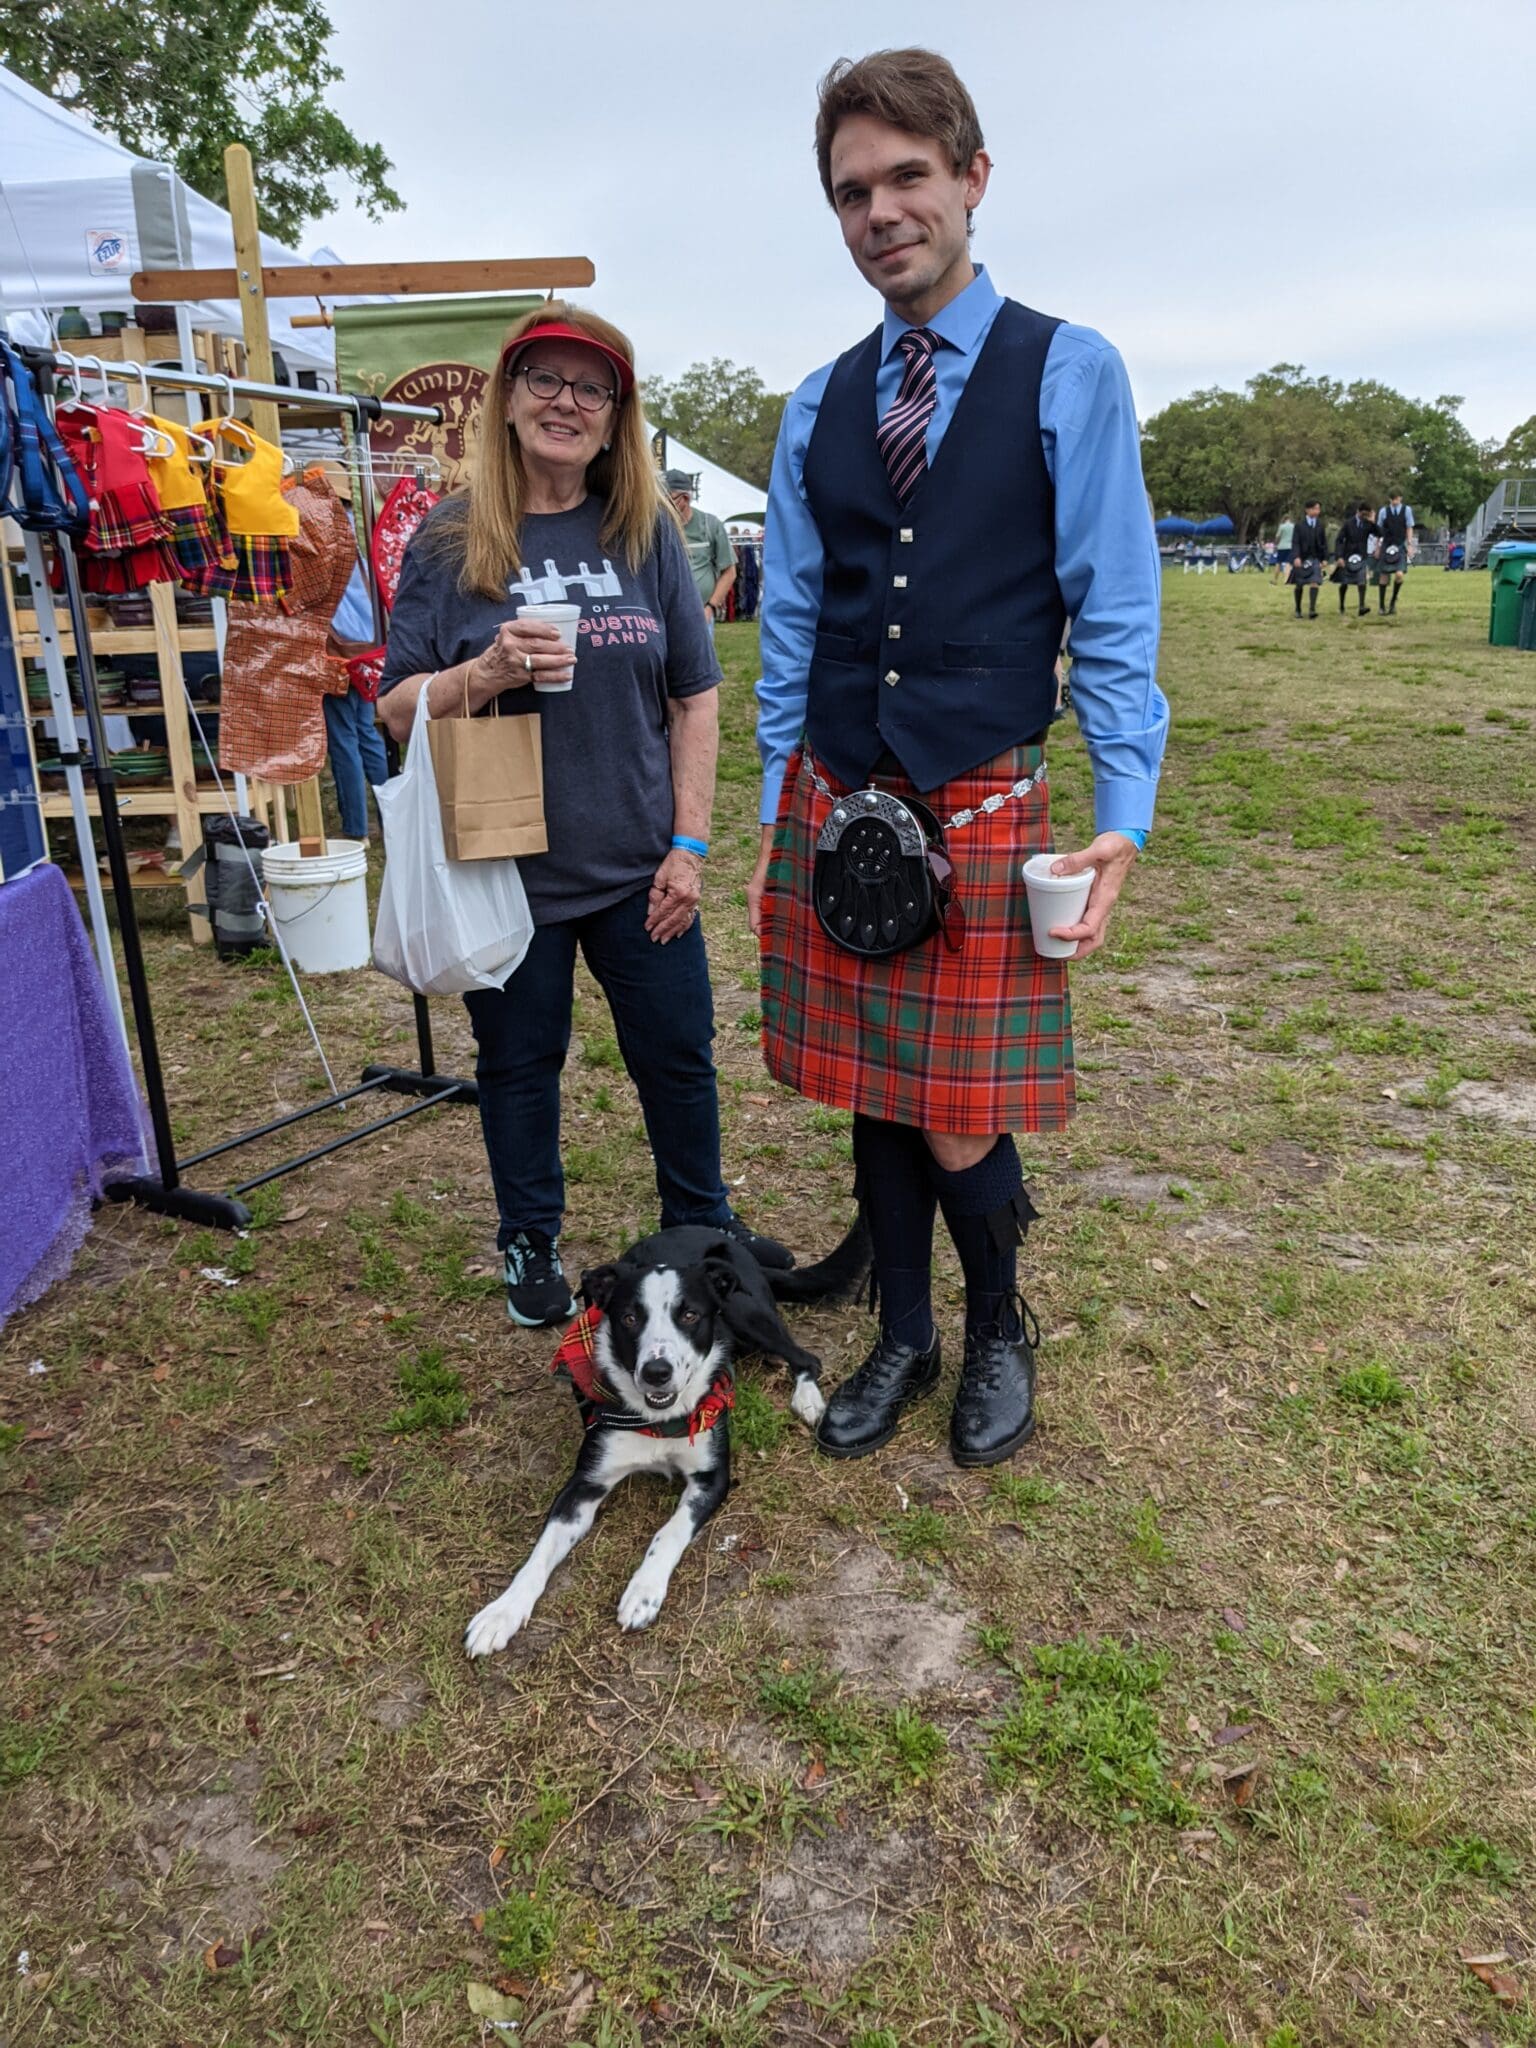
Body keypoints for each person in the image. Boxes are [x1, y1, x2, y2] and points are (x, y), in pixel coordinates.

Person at [750, 49, 1168, 1467]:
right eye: (853, 190)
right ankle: (905, 1337)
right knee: (879, 1086)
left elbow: (1114, 610)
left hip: (983, 795)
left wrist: (1126, 810)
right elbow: (795, 620)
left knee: (959, 1109)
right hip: (839, 790)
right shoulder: (817, 403)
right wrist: (770, 799)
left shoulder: (1073, 370)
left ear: (973, 180)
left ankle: (995, 1328)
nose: (881, 212)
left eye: (908, 177)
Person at [379, 301, 788, 1327]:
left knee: (679, 1055)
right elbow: (391, 710)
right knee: (520, 1064)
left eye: (591, 387)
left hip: (639, 861)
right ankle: (530, 1236)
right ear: (509, 400)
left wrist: (690, 843)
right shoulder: (448, 540)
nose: (566, 402)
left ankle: (703, 1225)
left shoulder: (641, 529)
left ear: (616, 415)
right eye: (545, 380)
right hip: (503, 870)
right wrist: (484, 670)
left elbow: (696, 694)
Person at [325, 549, 388, 837]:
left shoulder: (324, 549)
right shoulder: (356, 552)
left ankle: (355, 828)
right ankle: (391, 817)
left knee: (344, 738)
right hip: (366, 649)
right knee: (365, 732)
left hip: (337, 655)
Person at [665, 470, 737, 630]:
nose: (663, 504)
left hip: (701, 614)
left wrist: (710, 608)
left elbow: (729, 572)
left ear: (685, 498)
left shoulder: (710, 525)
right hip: (667, 615)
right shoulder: (658, 527)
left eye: (668, 498)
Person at [1333, 500, 1377, 619]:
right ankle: (1342, 605)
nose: (1364, 516)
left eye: (1366, 514)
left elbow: (1380, 533)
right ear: (1358, 512)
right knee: (1344, 583)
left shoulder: (1368, 524)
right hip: (1348, 556)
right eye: (1363, 514)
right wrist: (1339, 557)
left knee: (1362, 582)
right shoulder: (1348, 523)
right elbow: (1339, 540)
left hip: (1361, 556)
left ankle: (1361, 607)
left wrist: (1373, 521)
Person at [1374, 489, 1414, 612]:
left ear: (1400, 498)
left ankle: (1392, 602)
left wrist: (1410, 544)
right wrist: (1377, 547)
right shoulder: (1383, 511)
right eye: (1392, 499)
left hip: (1400, 545)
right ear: (1389, 499)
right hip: (1386, 544)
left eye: (1397, 499)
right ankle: (1381, 606)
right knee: (1384, 575)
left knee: (1399, 574)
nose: (1395, 501)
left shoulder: (1407, 510)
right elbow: (1378, 530)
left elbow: (1409, 527)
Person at [1291, 500, 1328, 618]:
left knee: (1315, 581)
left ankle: (1312, 609)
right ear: (1307, 510)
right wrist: (1296, 557)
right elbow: (1295, 542)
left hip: (1315, 558)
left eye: (1318, 509)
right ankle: (1298, 609)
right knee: (1299, 584)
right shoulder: (1299, 526)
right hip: (1302, 558)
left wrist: (1324, 558)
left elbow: (1324, 543)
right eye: (1315, 509)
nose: (1317, 511)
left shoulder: (1320, 525)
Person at [1271, 516, 1295, 582]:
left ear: (1284, 520)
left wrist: (1275, 544)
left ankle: (1275, 580)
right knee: (1288, 564)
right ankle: (1286, 580)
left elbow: (1277, 536)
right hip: (1290, 546)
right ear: (1290, 520)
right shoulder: (1293, 526)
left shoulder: (1282, 526)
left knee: (1278, 563)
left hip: (1281, 546)